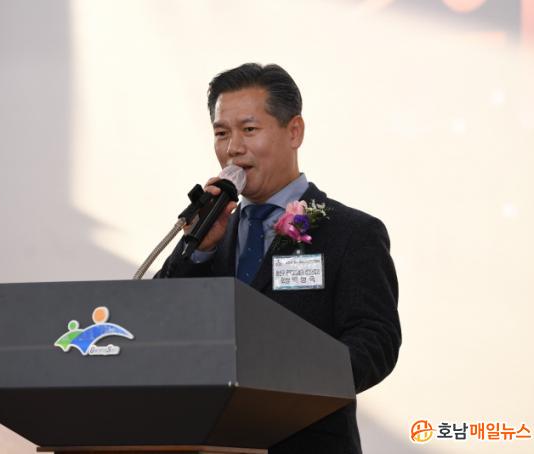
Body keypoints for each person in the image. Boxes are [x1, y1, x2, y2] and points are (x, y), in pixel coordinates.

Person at [156, 63, 401, 454]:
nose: (233, 148)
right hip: (208, 441)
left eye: (249, 129)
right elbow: (155, 320)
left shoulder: (352, 232)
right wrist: (198, 249)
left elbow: (376, 340)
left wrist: (294, 384)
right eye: (222, 133)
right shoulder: (210, 232)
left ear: (294, 131)